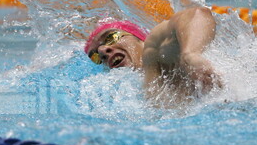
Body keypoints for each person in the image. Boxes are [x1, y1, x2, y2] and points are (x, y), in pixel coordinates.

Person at [84, 7, 222, 102]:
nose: (102, 51)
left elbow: (196, 14)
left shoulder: (156, 55)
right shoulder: (132, 94)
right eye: (95, 56)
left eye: (111, 37)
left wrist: (191, 54)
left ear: (140, 39)